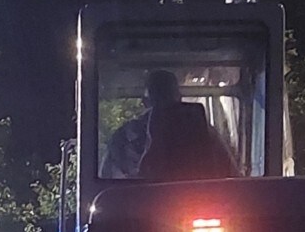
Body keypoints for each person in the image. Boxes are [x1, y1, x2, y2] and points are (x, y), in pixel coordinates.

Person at [102, 68, 239, 182]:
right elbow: (231, 174)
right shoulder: (203, 132)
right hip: (200, 200)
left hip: (143, 206)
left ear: (145, 102)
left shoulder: (124, 137)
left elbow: (107, 183)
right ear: (179, 98)